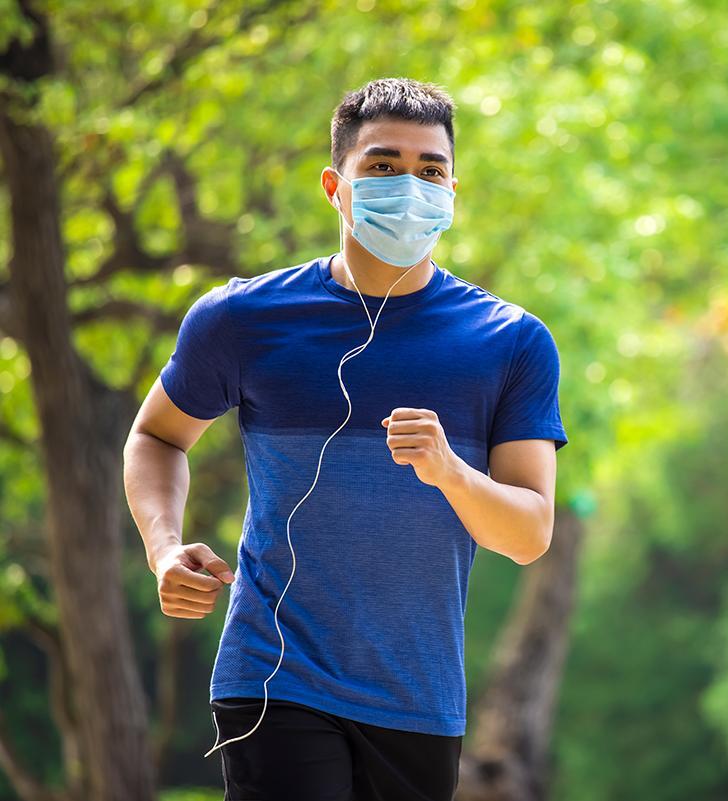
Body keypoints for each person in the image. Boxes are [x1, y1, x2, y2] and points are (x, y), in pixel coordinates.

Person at [122, 77, 568, 801]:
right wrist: (163, 545)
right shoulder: (243, 318)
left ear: (454, 191)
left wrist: (452, 472)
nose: (410, 186)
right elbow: (156, 436)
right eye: (383, 166)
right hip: (275, 677)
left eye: (430, 171)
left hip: (418, 695)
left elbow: (528, 534)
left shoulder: (510, 342)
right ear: (336, 186)